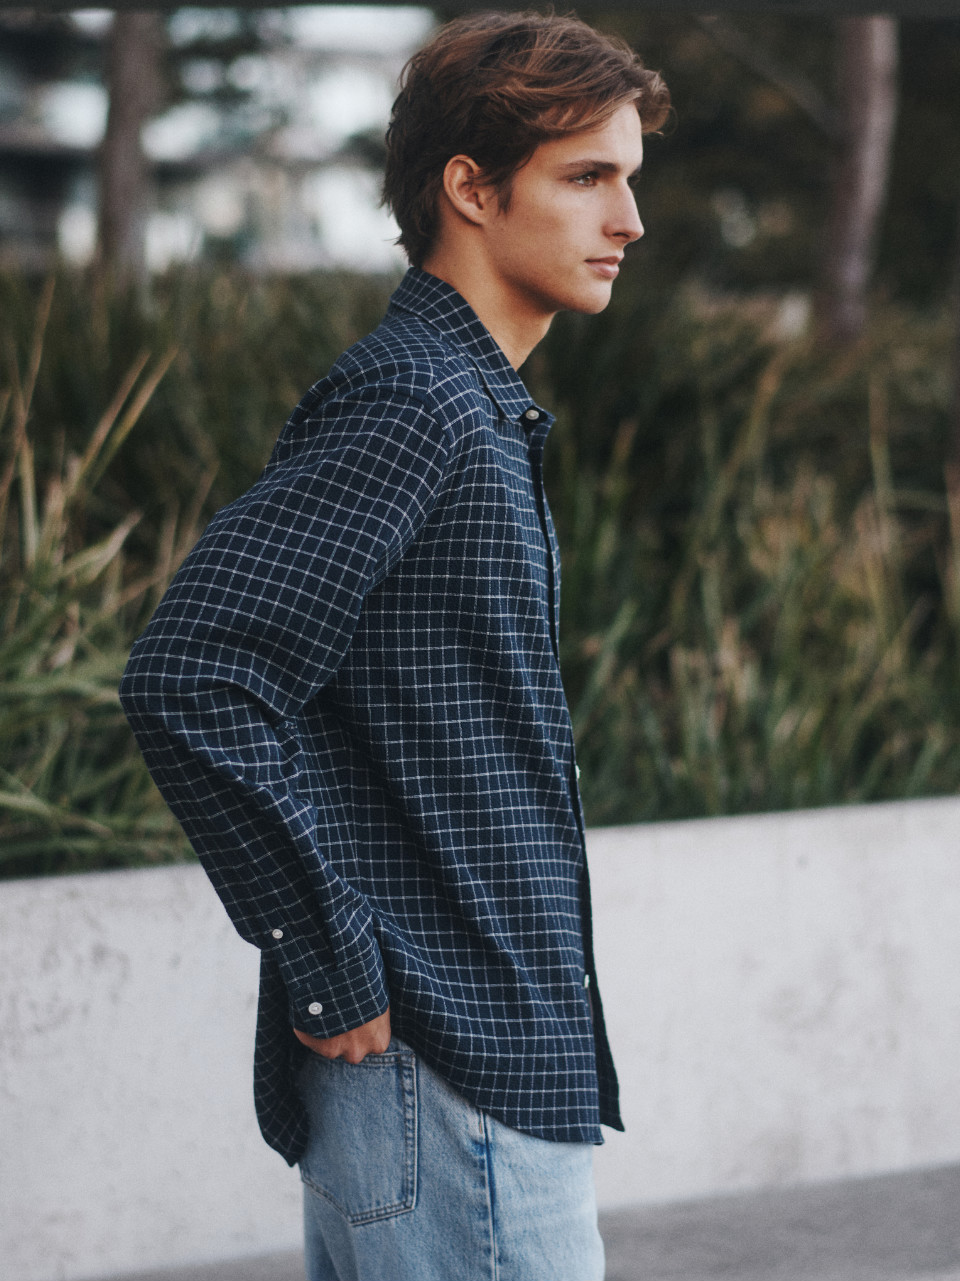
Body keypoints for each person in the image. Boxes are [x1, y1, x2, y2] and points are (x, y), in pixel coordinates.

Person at [120, 11, 670, 1281]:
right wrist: (328, 960)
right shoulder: (417, 400)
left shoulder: (470, 404)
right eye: (588, 177)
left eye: (629, 178)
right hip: (448, 1076)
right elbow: (194, 676)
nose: (630, 221)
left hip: (473, 1072)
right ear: (469, 189)